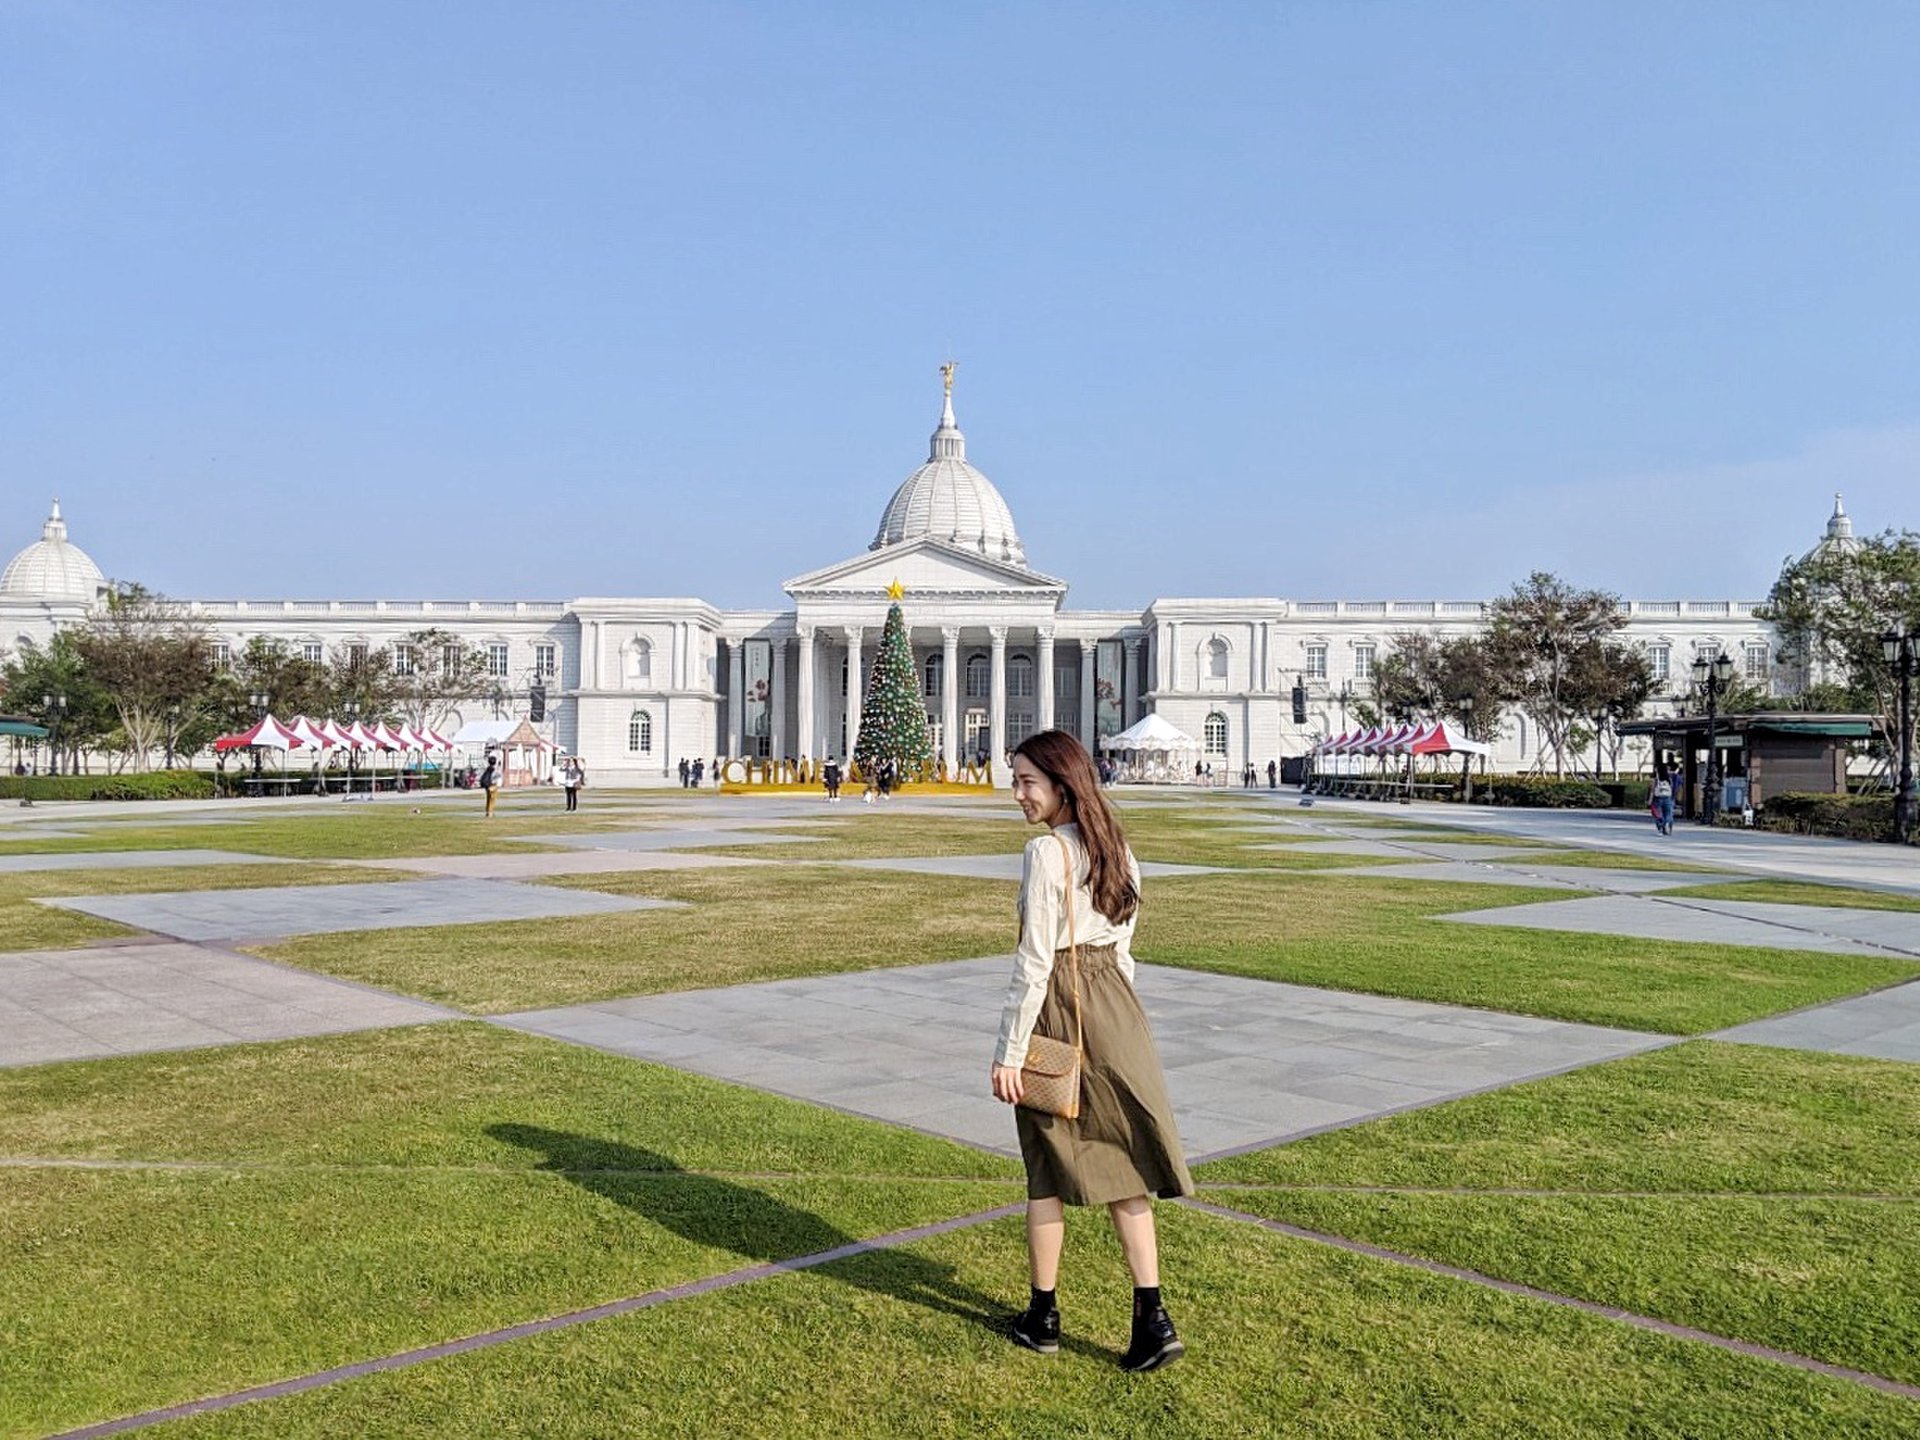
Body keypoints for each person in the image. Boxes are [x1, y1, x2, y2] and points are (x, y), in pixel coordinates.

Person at [991, 728, 1192, 1373]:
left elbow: (1033, 962)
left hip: (1062, 1006)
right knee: (1126, 1162)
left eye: (1026, 781)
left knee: (1046, 1161)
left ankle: (1044, 1314)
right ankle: (1150, 1314)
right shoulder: (1120, 849)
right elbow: (1126, 949)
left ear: (1061, 785)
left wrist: (1009, 1050)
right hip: (1116, 1009)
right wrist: (1120, 1021)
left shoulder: (1047, 852)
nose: (1017, 793)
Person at [1651, 764, 1675, 836]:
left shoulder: (1655, 780)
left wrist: (1650, 800)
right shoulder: (1669, 779)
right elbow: (1672, 788)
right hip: (1667, 797)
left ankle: (1661, 827)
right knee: (1668, 813)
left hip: (1658, 798)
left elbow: (1652, 790)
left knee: (1657, 814)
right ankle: (1667, 823)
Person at [479, 752, 499, 818]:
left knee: (488, 799)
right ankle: (490, 813)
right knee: (492, 799)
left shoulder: (487, 769)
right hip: (493, 785)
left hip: (487, 785)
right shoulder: (495, 769)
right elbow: (497, 777)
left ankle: (487, 812)